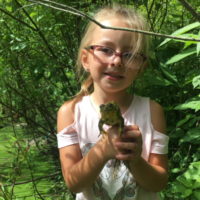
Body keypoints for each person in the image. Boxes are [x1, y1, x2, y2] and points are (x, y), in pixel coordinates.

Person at [57, 4, 169, 200]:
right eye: (106, 50)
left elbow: (159, 182)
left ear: (141, 66)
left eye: (129, 54)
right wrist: (102, 150)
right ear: (86, 59)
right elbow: (73, 184)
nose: (117, 61)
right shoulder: (71, 112)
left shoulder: (152, 111)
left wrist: (135, 159)